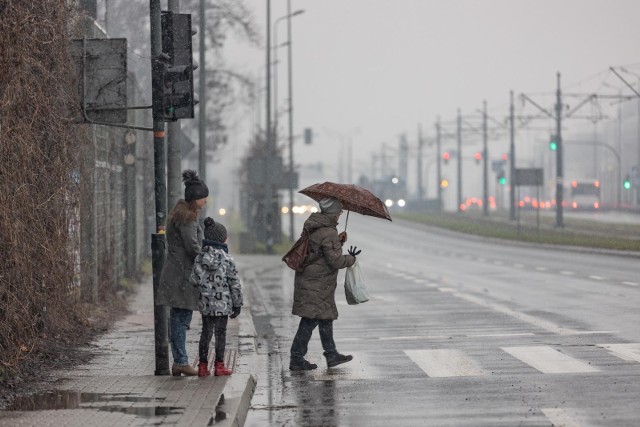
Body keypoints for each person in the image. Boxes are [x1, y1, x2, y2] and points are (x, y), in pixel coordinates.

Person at [289, 197, 362, 371]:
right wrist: (350, 259)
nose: (340, 214)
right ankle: (297, 358)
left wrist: (338, 241)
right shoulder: (328, 232)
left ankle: (330, 354)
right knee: (310, 320)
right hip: (317, 283)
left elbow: (319, 250)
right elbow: (335, 260)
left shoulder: (316, 226)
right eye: (339, 211)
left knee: (324, 318)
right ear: (333, 212)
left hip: (313, 280)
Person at [158, 170, 208, 376]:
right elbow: (192, 246)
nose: (206, 201)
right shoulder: (188, 218)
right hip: (182, 274)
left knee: (179, 317)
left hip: (177, 271)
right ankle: (180, 361)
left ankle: (180, 360)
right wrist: (208, 258)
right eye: (204, 197)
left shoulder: (181, 213)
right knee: (180, 318)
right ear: (196, 199)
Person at [190, 217, 243, 377]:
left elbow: (194, 280)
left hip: (206, 304)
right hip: (223, 304)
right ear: (223, 239)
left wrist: (205, 287)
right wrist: (237, 304)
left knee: (206, 333)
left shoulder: (199, 258)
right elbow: (235, 283)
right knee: (221, 333)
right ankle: (219, 366)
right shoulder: (227, 260)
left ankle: (203, 367)